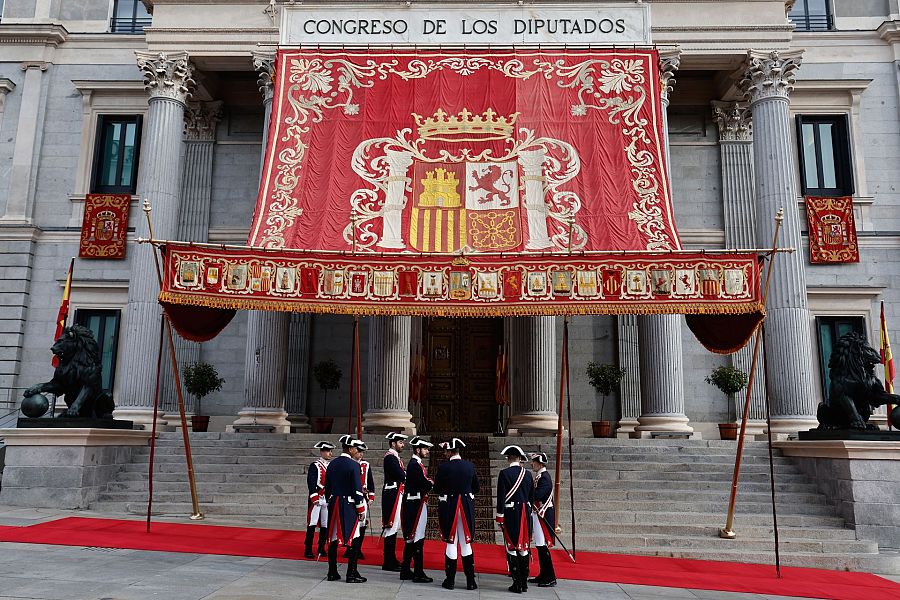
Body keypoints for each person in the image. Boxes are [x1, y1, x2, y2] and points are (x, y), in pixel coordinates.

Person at [433, 437, 479, 590]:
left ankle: (450, 580)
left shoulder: (443, 467)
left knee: (451, 541)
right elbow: (476, 488)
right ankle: (471, 581)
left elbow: (437, 489)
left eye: (446, 451)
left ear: (451, 451)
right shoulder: (470, 466)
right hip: (465, 506)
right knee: (466, 543)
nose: (445, 453)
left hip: (450, 507)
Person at [324, 436, 367, 583]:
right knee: (354, 538)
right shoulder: (353, 465)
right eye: (355, 448)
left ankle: (332, 572)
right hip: (348, 505)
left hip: (334, 502)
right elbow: (357, 489)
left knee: (333, 538)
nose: (357, 451)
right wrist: (361, 509)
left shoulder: (332, 464)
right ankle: (351, 573)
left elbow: (327, 488)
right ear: (349, 448)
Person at [496, 445, 534, 594]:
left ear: (508, 458)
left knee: (511, 547)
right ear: (520, 458)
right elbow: (531, 497)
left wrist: (500, 517)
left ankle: (516, 583)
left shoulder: (504, 473)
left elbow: (501, 499)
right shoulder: (528, 474)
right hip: (525, 513)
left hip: (511, 514)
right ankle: (524, 583)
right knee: (524, 548)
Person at [399, 436, 434, 583]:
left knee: (412, 538)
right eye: (425, 449)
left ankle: (406, 570)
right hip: (415, 505)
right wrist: (431, 482)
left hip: (415, 503)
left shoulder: (416, 464)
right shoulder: (415, 465)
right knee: (417, 538)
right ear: (417, 449)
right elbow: (424, 483)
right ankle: (418, 572)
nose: (427, 451)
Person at [528, 452, 557, 587]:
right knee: (539, 546)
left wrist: (526, 491)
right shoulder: (540, 476)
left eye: (533, 461)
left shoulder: (544, 478)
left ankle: (550, 577)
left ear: (539, 463)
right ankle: (543, 574)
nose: (531, 464)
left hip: (543, 515)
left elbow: (538, 495)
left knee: (542, 546)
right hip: (539, 515)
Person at [345, 440, 376, 560]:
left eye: (362, 452)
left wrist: (371, 496)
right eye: (359, 451)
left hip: (363, 497)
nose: (361, 454)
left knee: (362, 524)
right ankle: (350, 547)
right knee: (352, 523)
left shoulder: (366, 465)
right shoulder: (349, 463)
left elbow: (370, 482)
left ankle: (358, 548)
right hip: (351, 497)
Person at [381, 432, 407, 572]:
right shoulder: (390, 458)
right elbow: (400, 474)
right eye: (400, 442)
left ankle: (391, 559)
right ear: (393, 443)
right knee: (391, 526)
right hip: (392, 495)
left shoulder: (395, 457)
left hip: (396, 494)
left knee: (394, 526)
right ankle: (388, 560)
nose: (403, 445)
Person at [304, 441, 333, 559]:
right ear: (322, 452)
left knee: (325, 524)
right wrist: (314, 496)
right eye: (327, 451)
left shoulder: (331, 465)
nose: (330, 453)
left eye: (331, 451)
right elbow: (311, 481)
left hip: (326, 498)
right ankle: (308, 548)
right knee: (312, 522)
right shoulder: (315, 465)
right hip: (317, 498)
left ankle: (321, 547)